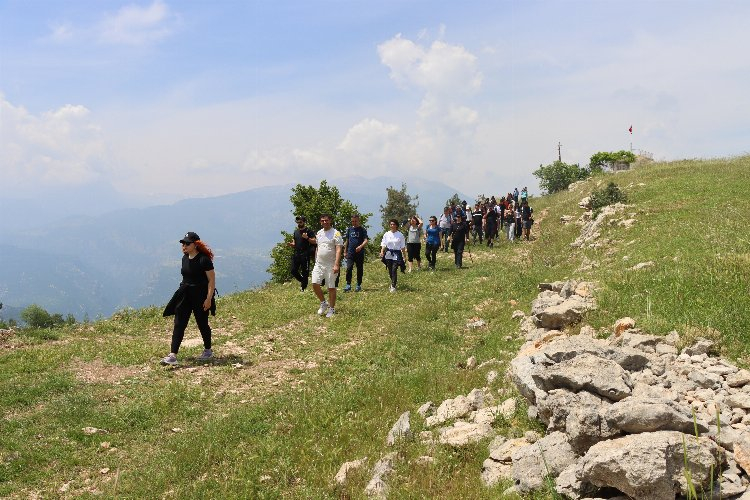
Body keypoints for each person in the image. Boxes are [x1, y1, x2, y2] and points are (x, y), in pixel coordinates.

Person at [161, 232, 216, 366]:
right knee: (179, 323)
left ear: (195, 244)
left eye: (187, 243)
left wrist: (209, 298)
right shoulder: (184, 258)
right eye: (183, 243)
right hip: (185, 295)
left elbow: (211, 280)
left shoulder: (204, 260)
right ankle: (173, 355)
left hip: (200, 296)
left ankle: (208, 351)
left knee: (202, 323)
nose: (183, 246)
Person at [310, 214, 343, 317]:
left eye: (326, 220)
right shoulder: (319, 233)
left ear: (330, 221)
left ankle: (332, 309)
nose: (325, 222)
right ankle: (324, 303)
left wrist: (336, 264)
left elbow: (338, 249)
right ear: (320, 222)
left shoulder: (336, 233)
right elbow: (318, 247)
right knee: (315, 283)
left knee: (331, 287)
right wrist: (316, 260)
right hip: (319, 263)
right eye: (322, 221)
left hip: (331, 264)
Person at [288, 215, 315, 292]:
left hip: (305, 254)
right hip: (296, 253)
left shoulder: (309, 231)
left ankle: (303, 288)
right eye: (298, 222)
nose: (299, 223)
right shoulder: (296, 232)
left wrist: (307, 238)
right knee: (293, 270)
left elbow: (314, 241)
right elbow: (294, 242)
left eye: (300, 222)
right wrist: (292, 244)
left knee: (305, 272)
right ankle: (303, 281)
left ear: (304, 222)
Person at [343, 213, 369, 292]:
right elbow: (347, 240)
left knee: (359, 269)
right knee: (349, 268)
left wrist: (360, 247)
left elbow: (366, 240)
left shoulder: (362, 230)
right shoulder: (349, 229)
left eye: (355, 221)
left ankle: (358, 284)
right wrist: (345, 251)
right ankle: (348, 284)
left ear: (358, 221)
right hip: (350, 252)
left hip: (359, 253)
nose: (354, 223)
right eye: (352, 221)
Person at [380, 219, 406, 292]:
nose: (392, 226)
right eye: (391, 224)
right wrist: (382, 252)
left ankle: (393, 286)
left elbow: (403, 246)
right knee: (390, 270)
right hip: (388, 253)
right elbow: (383, 244)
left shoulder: (400, 235)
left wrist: (404, 256)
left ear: (396, 225)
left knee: (394, 269)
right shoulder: (386, 234)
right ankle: (393, 282)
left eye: (393, 224)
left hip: (397, 254)